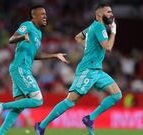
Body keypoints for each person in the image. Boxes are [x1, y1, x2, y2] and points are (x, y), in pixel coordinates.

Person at [35, 3, 122, 135]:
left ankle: (90, 118)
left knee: (117, 94)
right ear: (99, 14)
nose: (111, 14)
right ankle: (41, 125)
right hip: (88, 70)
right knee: (71, 101)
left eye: (111, 12)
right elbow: (108, 48)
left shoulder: (93, 26)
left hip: (96, 70)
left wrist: (88, 46)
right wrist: (114, 32)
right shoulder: (99, 27)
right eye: (108, 12)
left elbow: (78, 37)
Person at [0, 5, 69, 135]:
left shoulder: (38, 33)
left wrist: (54, 55)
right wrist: (22, 37)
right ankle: (2, 106)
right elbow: (11, 39)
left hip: (22, 68)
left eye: (46, 14)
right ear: (34, 16)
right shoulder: (27, 25)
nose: (45, 16)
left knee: (19, 107)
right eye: (42, 14)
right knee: (38, 100)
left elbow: (35, 55)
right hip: (20, 68)